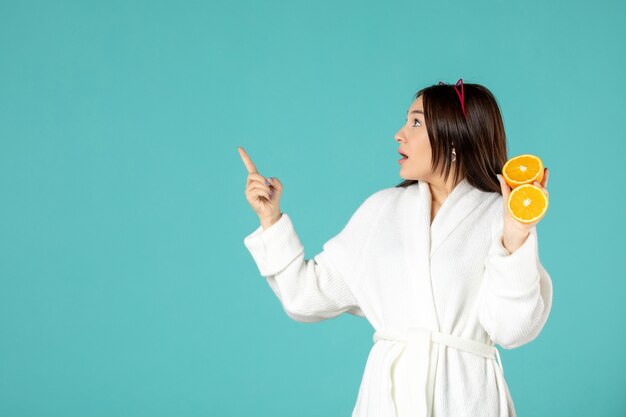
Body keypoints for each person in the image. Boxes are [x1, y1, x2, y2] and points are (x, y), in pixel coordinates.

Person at [238, 79, 553, 417]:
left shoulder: (499, 215)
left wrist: (517, 236)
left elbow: (513, 329)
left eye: (416, 122)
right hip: (388, 401)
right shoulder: (381, 211)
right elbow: (304, 296)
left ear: (455, 134)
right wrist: (270, 220)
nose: (399, 134)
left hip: (466, 398)